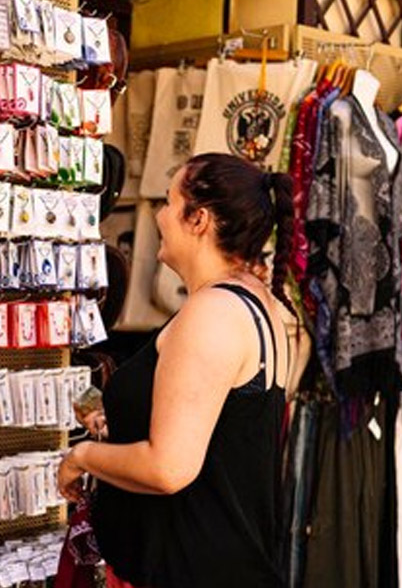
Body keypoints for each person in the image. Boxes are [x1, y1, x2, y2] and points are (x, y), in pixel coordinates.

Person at [58, 152, 295, 588]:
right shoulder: (252, 305)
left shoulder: (213, 314)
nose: (161, 216)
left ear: (199, 219)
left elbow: (169, 468)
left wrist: (82, 457)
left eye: (169, 203)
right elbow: (224, 436)